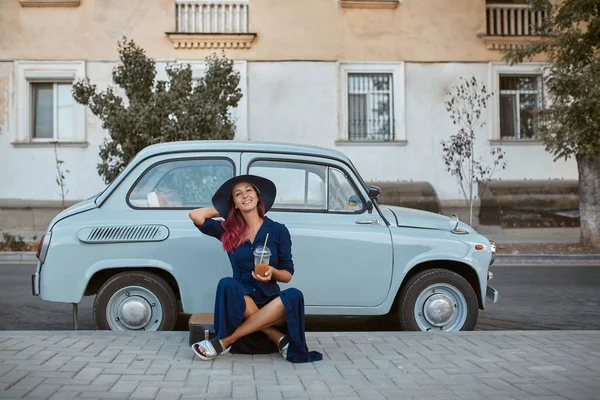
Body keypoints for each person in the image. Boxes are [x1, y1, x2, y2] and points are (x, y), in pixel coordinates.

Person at [189, 174, 323, 363]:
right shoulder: (228, 229)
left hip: (271, 303)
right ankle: (277, 337)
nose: (245, 195)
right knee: (227, 284)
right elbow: (195, 215)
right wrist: (225, 210)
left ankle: (225, 341)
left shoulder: (278, 230)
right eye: (238, 194)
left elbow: (287, 274)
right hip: (241, 304)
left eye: (249, 191)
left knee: (294, 295)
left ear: (258, 196)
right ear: (234, 203)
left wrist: (272, 273)